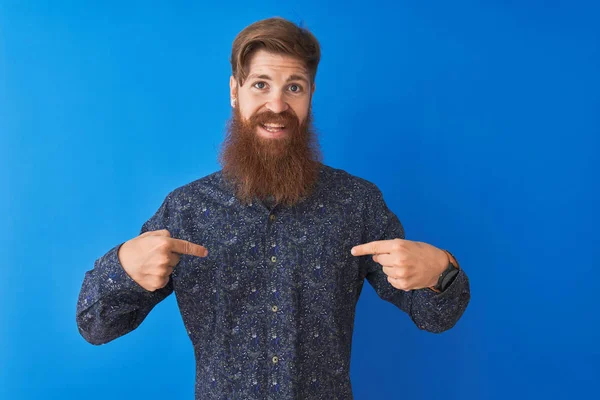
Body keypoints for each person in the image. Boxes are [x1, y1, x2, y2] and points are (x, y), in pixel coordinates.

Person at [76, 16, 470, 399]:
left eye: (293, 87)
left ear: (311, 94)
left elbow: (435, 317)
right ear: (235, 91)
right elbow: (95, 325)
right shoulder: (186, 210)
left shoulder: (357, 202)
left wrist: (442, 271)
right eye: (261, 85)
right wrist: (124, 265)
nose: (277, 104)